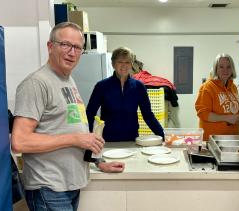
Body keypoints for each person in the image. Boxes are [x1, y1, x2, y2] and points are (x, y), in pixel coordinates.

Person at [11, 22, 125, 211]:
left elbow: (70, 127)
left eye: (77, 47)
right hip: (48, 188)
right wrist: (75, 139)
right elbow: (20, 141)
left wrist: (98, 162)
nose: (71, 52)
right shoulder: (36, 84)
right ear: (50, 46)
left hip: (69, 186)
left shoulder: (67, 80)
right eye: (65, 44)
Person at [86, 47, 164, 142]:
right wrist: (88, 140)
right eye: (120, 62)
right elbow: (90, 114)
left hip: (132, 140)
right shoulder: (102, 86)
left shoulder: (138, 87)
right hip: (108, 141)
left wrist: (162, 136)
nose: (124, 66)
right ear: (113, 64)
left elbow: (148, 115)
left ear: (131, 64)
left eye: (127, 62)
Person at [195, 53, 239, 141]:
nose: (225, 70)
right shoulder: (207, 87)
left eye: (228, 67)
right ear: (215, 69)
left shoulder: (233, 87)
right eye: (221, 67)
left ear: (232, 69)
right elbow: (203, 114)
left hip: (232, 139)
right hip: (213, 141)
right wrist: (227, 118)